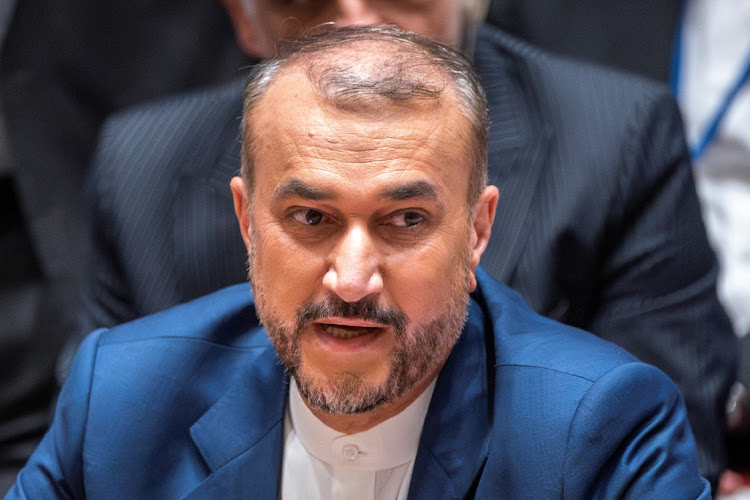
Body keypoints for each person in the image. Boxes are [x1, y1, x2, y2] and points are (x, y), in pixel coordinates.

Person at [7, 27, 710, 498]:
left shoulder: (600, 431)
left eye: (405, 221)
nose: (351, 281)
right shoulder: (123, 400)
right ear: (247, 221)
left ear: (477, 231)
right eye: (310, 219)